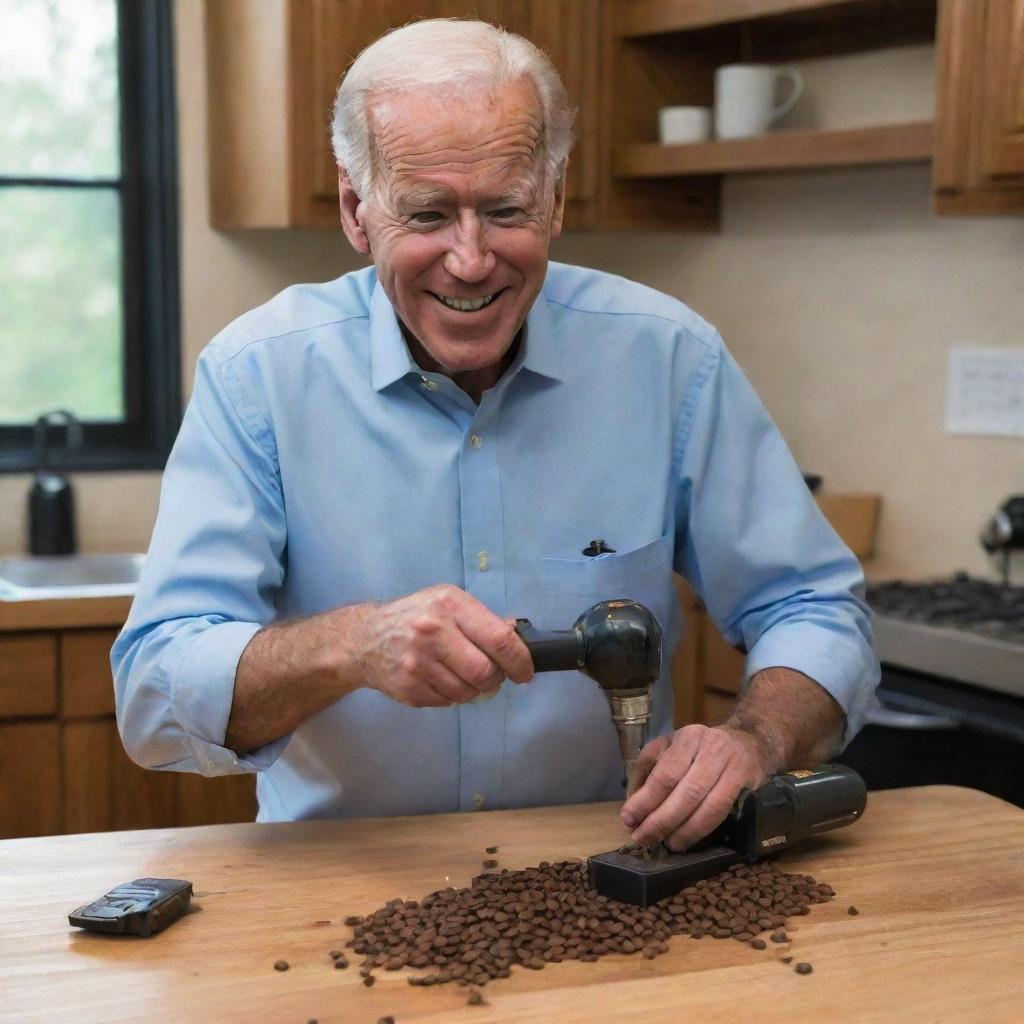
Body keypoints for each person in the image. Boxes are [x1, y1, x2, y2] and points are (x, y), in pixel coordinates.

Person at [112, 19, 878, 852]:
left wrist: (755, 739)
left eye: (506, 208)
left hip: (605, 872)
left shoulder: (669, 359)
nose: (470, 260)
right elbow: (154, 691)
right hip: (339, 882)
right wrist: (351, 645)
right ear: (355, 209)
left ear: (553, 198)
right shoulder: (257, 376)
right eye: (428, 213)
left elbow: (813, 604)